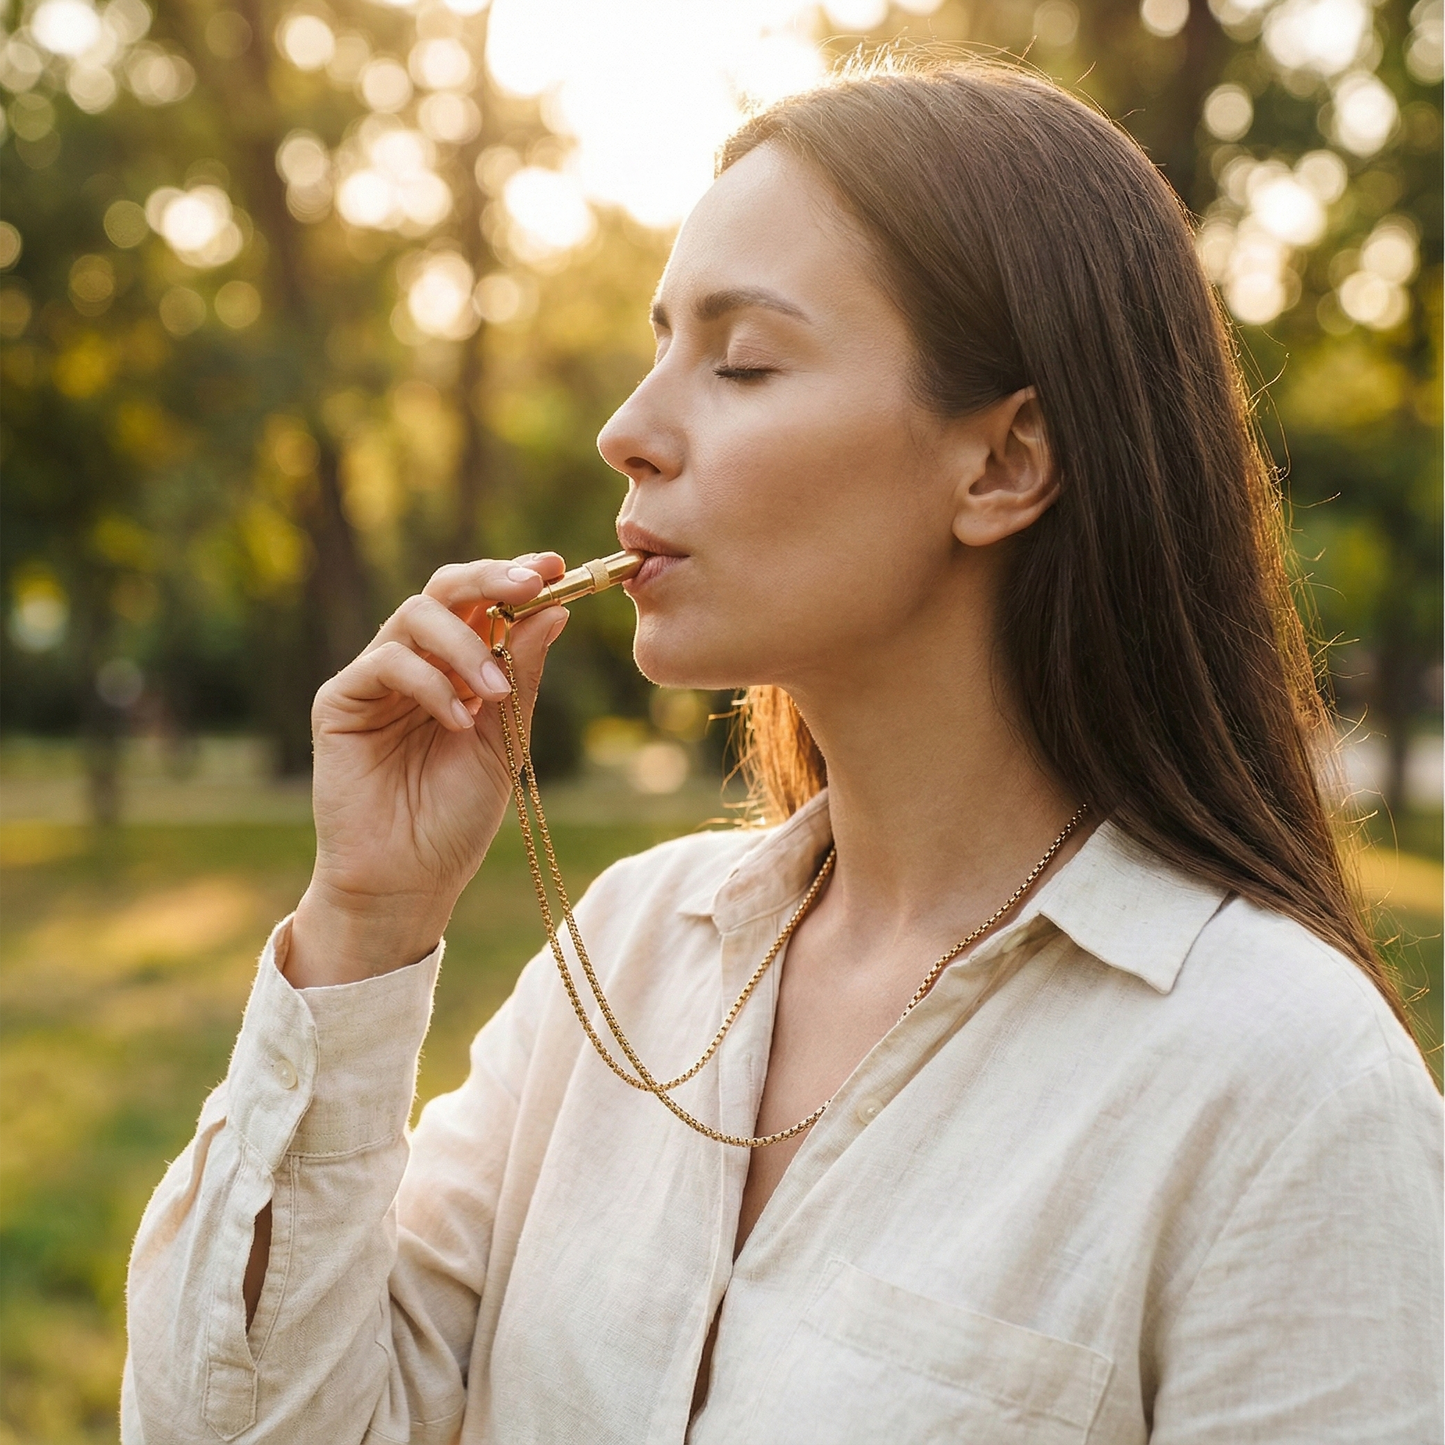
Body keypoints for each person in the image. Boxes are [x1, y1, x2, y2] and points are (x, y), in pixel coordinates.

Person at [123, 59, 1441, 1444]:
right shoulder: (623, 957)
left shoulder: (1292, 1091)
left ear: (1004, 464)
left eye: (741, 361)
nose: (627, 431)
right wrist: (365, 922)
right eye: (658, 346)